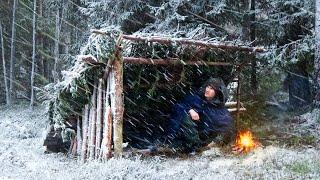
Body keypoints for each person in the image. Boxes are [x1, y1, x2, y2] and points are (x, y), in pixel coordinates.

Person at [165, 77, 235, 153]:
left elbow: (227, 128)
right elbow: (178, 106)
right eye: (207, 87)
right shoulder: (195, 99)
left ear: (217, 92)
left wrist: (215, 142)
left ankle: (197, 147)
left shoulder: (220, 110)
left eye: (211, 88)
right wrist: (189, 110)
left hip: (206, 141)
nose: (207, 90)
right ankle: (191, 146)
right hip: (185, 138)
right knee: (185, 117)